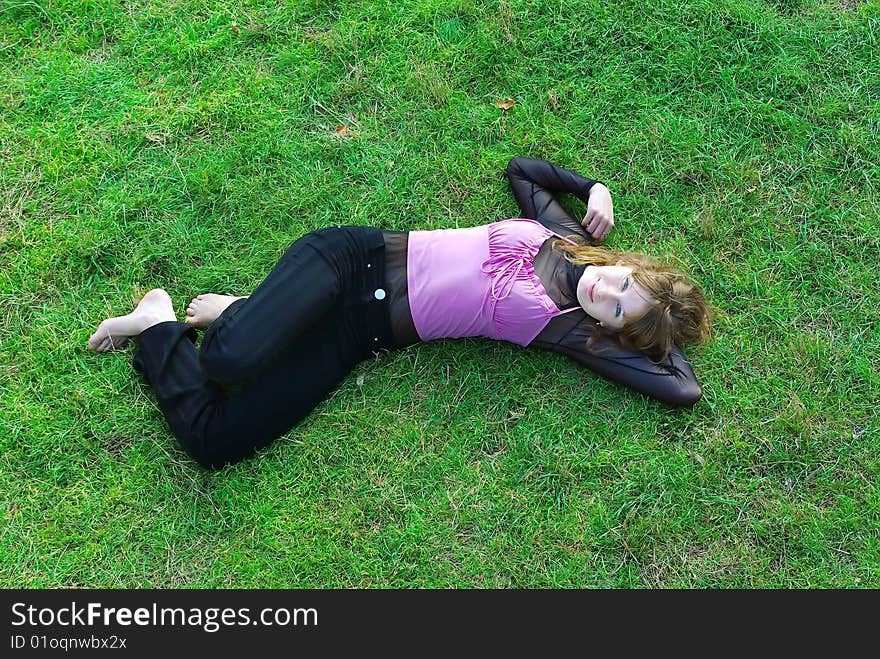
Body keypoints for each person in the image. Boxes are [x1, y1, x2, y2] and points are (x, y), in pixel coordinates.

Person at [88, 157, 711, 470]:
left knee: (214, 441)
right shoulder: (567, 234)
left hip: (360, 335)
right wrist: (590, 188)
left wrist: (653, 330)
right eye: (625, 279)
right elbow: (522, 171)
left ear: (613, 331)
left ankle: (159, 323)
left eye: (620, 307)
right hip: (349, 264)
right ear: (625, 261)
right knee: (223, 359)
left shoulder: (571, 331)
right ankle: (246, 317)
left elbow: (681, 387)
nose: (609, 288)